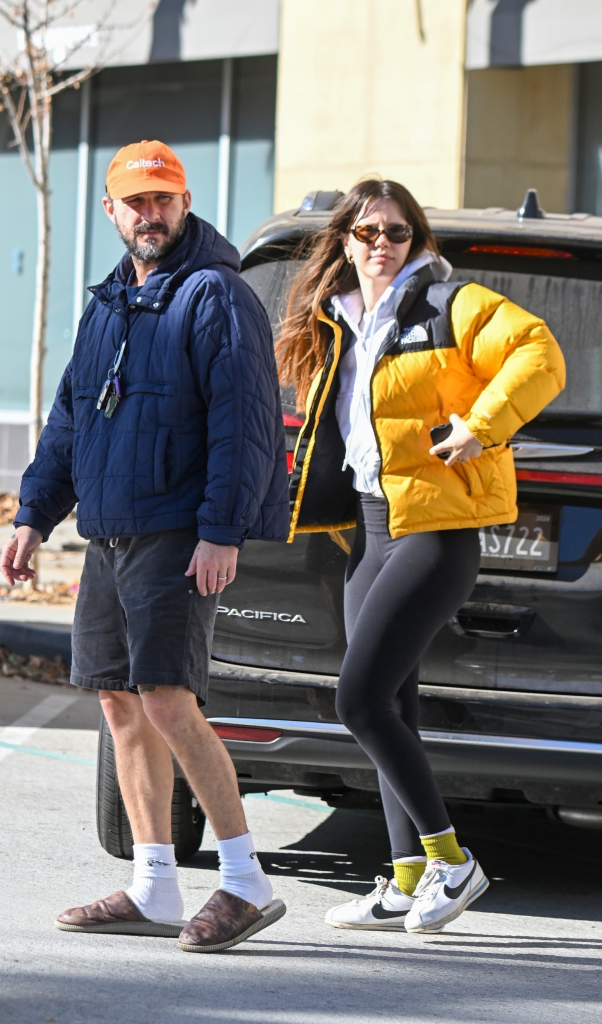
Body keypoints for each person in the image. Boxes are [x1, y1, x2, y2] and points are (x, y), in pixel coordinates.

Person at [0, 140, 290, 953]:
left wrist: (220, 529)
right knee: (118, 702)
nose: (151, 215)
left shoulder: (216, 295)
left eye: (164, 200)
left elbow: (246, 424)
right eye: (136, 202)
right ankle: (154, 886)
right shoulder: (107, 304)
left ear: (184, 202)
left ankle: (243, 881)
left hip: (176, 530)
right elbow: (70, 419)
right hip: (110, 530)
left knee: (166, 698)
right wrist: (33, 514)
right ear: (111, 211)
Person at [276, 178, 565, 934]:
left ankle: (451, 861)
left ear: (418, 241)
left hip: (435, 533)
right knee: (391, 706)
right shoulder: (336, 319)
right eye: (368, 232)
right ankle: (405, 879)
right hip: (369, 532)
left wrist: (481, 424)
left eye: (397, 233)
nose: (381, 245)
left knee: (357, 699)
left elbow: (538, 352)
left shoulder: (448, 303)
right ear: (344, 240)